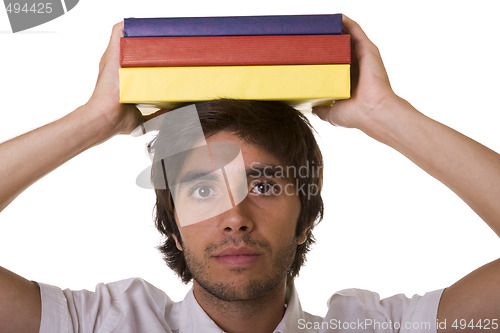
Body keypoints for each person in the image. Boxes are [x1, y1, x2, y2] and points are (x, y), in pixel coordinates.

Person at [0, 14, 499, 333]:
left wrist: (383, 112)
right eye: (202, 188)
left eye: (263, 184)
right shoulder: (95, 325)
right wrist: (94, 120)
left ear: (306, 217)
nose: (234, 216)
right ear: (171, 224)